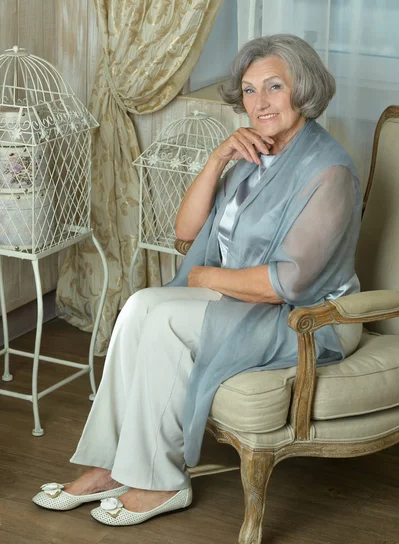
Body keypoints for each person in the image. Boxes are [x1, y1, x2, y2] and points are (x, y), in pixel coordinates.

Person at [32, 34, 363, 526]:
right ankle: (108, 466)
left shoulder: (328, 170)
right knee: (140, 305)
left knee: (163, 319)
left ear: (304, 89)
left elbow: (286, 285)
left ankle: (160, 481)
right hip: (246, 299)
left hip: (311, 317)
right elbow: (185, 232)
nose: (260, 102)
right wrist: (216, 160)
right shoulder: (253, 155)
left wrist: (207, 275)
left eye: (274, 86)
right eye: (249, 91)